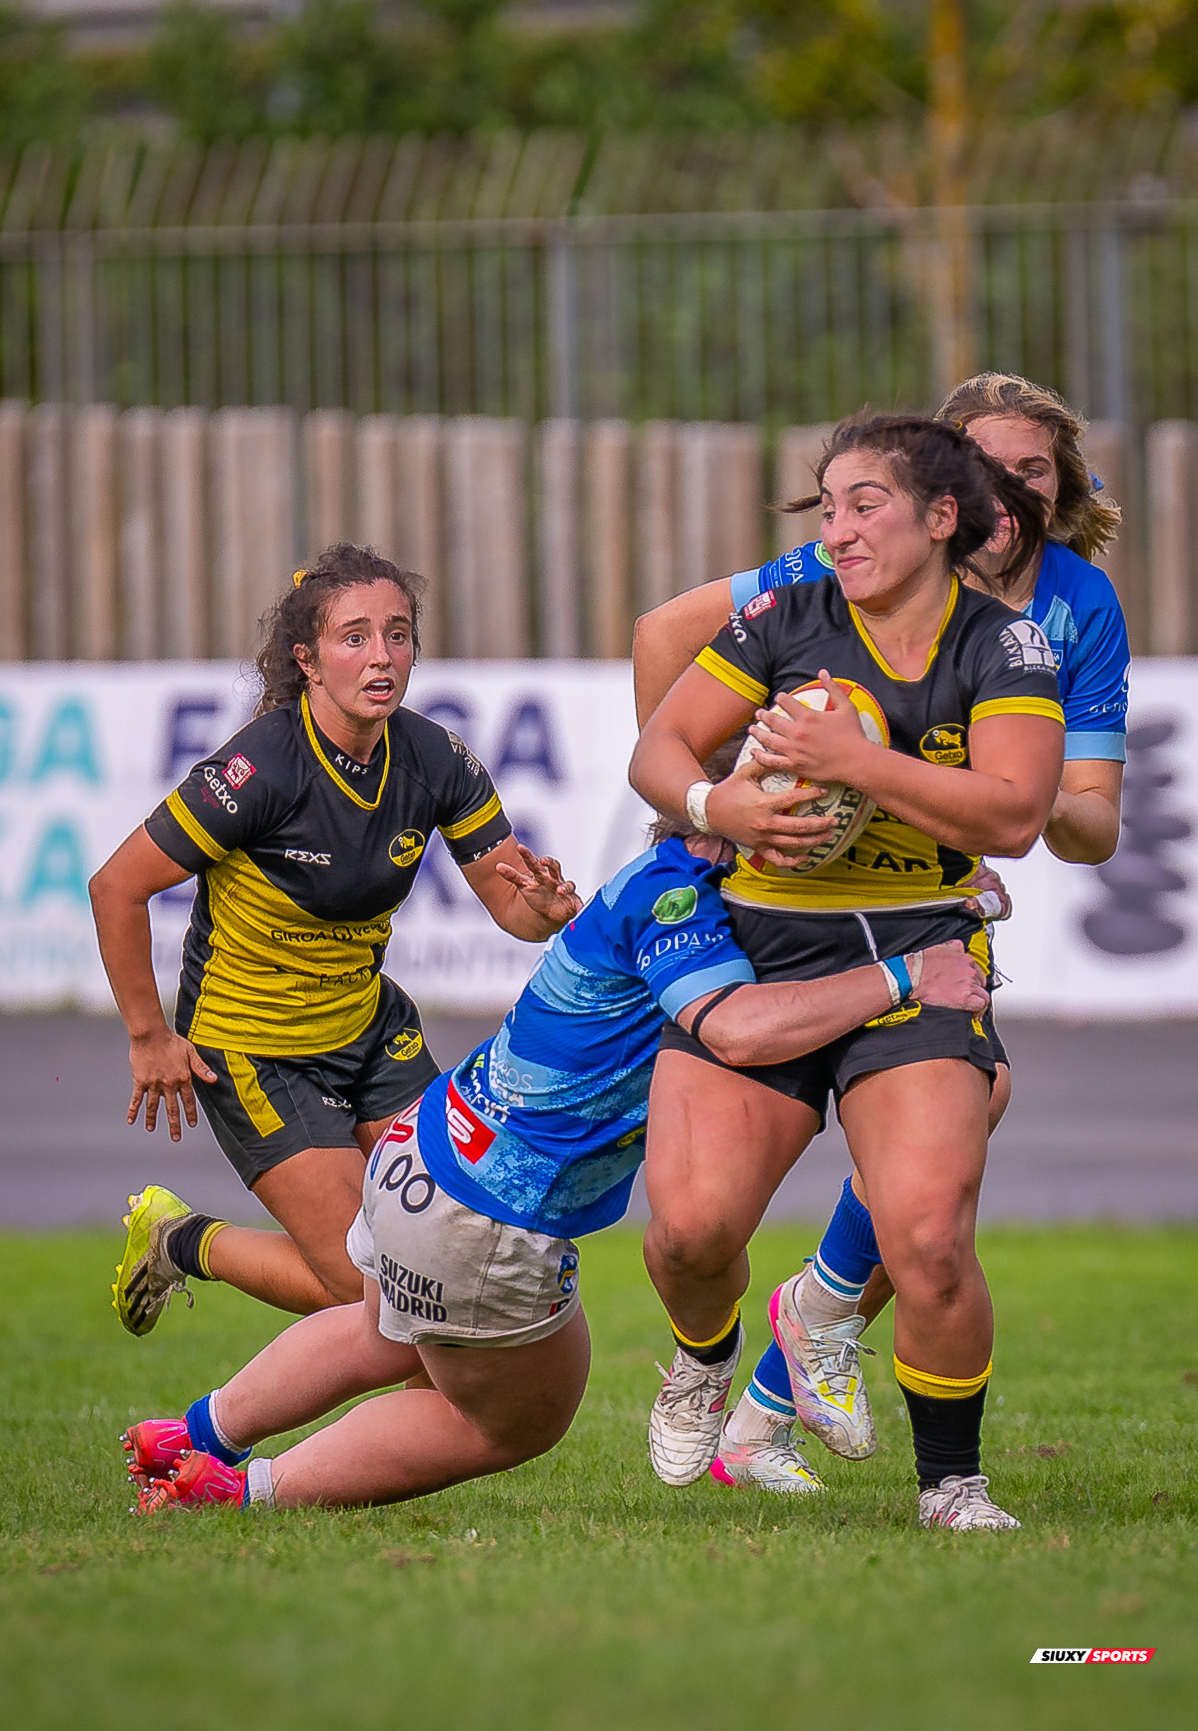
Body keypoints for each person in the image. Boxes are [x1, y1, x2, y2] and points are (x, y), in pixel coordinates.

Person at [120, 790, 990, 1515]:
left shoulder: (665, 879)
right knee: (505, 1424)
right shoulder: (686, 900)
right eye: (806, 810)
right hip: (487, 1212)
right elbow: (741, 1028)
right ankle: (238, 1494)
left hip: (424, 1152)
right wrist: (908, 975)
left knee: (384, 1331)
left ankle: (192, 1437)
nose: (821, 828)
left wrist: (935, 888)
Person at [631, 374, 1130, 1491]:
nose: (838, 526)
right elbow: (663, 706)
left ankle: (946, 1483)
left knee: (933, 1227)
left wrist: (906, 772)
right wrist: (714, 810)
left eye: (1030, 470)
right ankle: (725, 1361)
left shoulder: (1045, 627)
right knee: (686, 1231)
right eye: (829, 505)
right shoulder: (800, 597)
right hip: (764, 936)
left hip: (923, 931)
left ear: (946, 511)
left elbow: (1043, 821)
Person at [91, 544, 580, 1338]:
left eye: (398, 633)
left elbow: (511, 906)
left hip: (370, 1030)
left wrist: (547, 911)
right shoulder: (261, 767)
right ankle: (181, 1240)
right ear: (308, 661)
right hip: (257, 1051)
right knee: (374, 1291)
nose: (382, 656)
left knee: (450, 1252)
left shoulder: (435, 758)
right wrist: (150, 1036)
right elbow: (116, 886)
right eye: (354, 637)